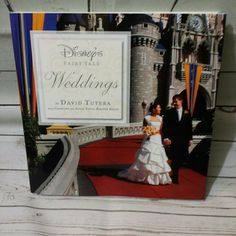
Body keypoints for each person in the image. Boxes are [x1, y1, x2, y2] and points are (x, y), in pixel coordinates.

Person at [118, 100, 172, 185]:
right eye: (158, 107)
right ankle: (144, 177)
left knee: (158, 158)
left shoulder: (161, 118)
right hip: (149, 139)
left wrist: (156, 133)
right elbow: (144, 129)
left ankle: (158, 178)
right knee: (146, 157)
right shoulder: (147, 118)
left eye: (160, 107)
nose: (160, 109)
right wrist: (149, 132)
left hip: (157, 139)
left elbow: (160, 129)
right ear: (154, 109)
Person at [162, 94, 193, 184]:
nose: (174, 103)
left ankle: (174, 172)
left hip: (183, 139)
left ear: (181, 101)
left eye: (176, 101)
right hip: (173, 139)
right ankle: (175, 177)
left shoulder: (187, 112)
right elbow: (165, 127)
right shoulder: (169, 112)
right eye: (173, 101)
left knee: (182, 158)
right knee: (175, 158)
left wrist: (190, 138)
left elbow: (189, 127)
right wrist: (166, 137)